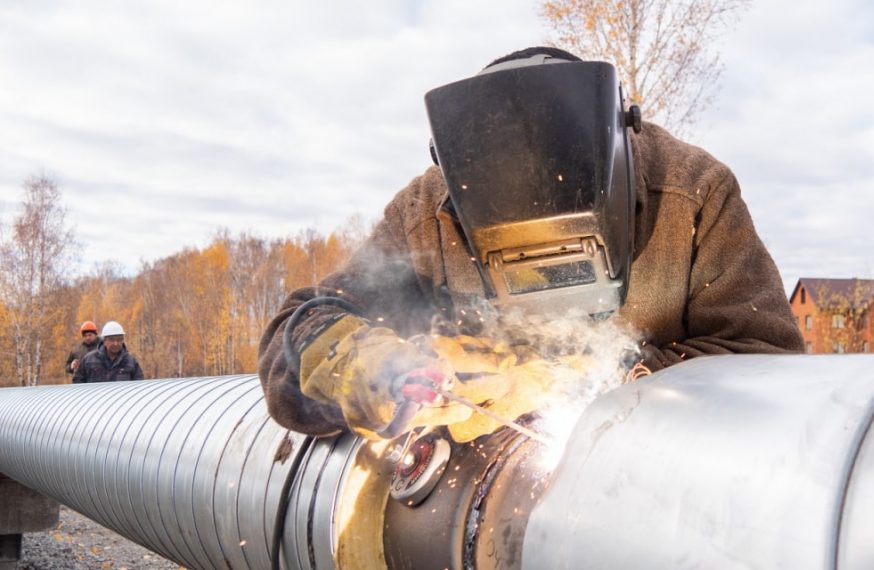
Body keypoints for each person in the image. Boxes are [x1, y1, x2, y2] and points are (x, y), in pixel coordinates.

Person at [258, 47, 804, 441]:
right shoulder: (426, 216)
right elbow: (298, 331)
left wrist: (599, 380)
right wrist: (358, 365)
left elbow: (765, 364)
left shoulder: (692, 192)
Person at [72, 321, 145, 383]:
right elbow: (78, 383)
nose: (115, 343)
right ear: (104, 341)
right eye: (112, 340)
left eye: (119, 339)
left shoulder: (130, 362)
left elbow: (138, 387)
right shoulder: (89, 360)